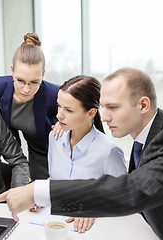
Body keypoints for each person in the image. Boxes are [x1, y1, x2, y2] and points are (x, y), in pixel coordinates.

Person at [0, 68, 163, 240]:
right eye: (103, 107)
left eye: (113, 108)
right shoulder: (143, 141)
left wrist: (38, 191)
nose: (104, 117)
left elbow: (132, 189)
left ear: (143, 105)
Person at [48, 75, 127, 233]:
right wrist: (37, 196)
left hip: (92, 231)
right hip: (54, 223)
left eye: (69, 110)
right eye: (59, 106)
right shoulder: (55, 137)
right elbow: (53, 181)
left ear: (91, 113)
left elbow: (123, 198)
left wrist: (93, 208)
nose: (59, 115)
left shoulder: (108, 151)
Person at [0, 33, 59, 180]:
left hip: (53, 150)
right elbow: (6, 123)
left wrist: (63, 123)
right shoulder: (0, 86)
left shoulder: (53, 93)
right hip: (32, 148)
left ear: (43, 74)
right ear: (12, 71)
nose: (26, 89)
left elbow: (81, 106)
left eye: (34, 82)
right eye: (20, 80)